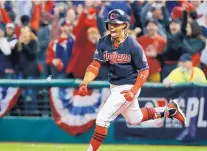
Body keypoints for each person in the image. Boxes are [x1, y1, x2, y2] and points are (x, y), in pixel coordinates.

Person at [78, 9, 187, 151]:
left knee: (103, 118)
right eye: (110, 24)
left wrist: (134, 90)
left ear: (124, 25)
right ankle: (169, 110)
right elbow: (95, 65)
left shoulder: (133, 45)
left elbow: (144, 70)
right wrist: (85, 82)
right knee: (135, 119)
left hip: (129, 86)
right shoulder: (103, 42)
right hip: (115, 86)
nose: (112, 27)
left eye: (115, 24)